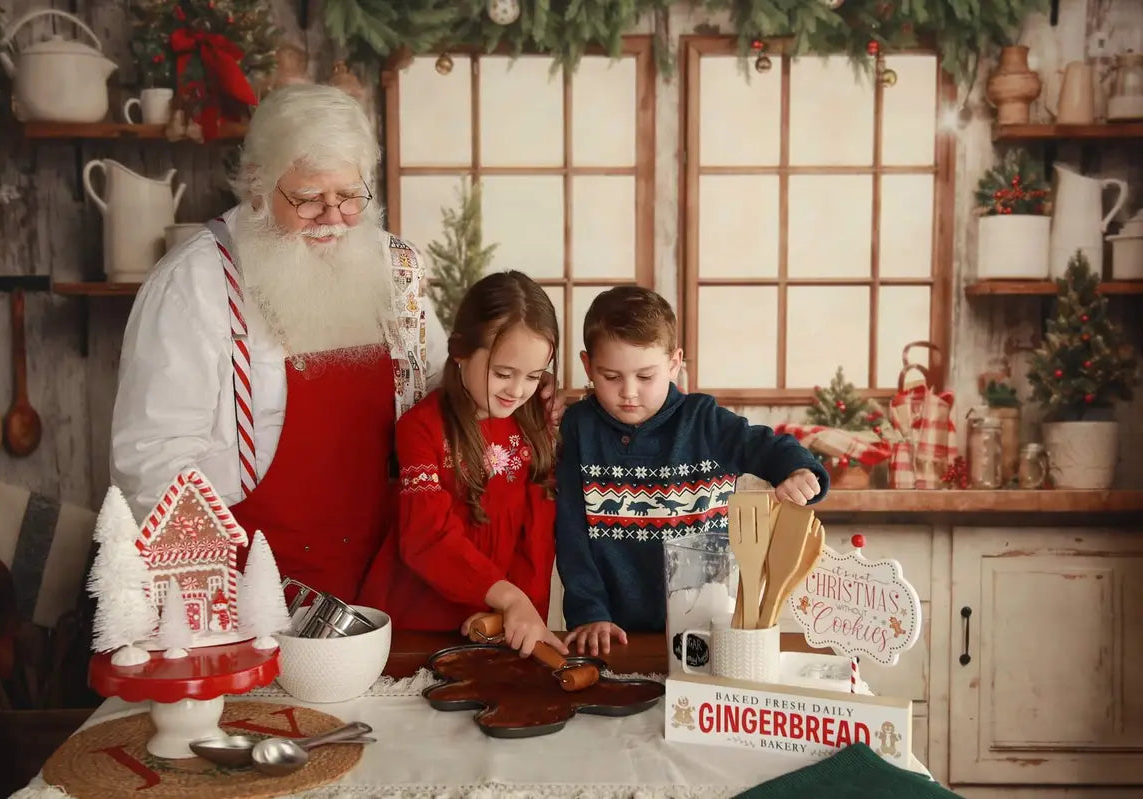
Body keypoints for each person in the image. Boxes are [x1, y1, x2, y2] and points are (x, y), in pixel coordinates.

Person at [111, 84, 458, 602]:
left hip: (387, 581)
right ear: (257, 186)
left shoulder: (394, 268)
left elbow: (437, 387)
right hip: (251, 589)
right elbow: (154, 463)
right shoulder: (194, 286)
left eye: (349, 196)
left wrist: (508, 386)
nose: (334, 217)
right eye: (309, 199)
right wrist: (215, 605)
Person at [555, 286, 829, 656]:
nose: (629, 392)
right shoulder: (579, 428)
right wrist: (589, 612)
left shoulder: (704, 421)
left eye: (646, 376)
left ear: (674, 363)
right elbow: (571, 533)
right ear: (588, 366)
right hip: (613, 631)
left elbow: (766, 445)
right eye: (611, 377)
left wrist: (797, 470)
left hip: (709, 628)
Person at [359, 271, 565, 657]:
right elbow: (427, 537)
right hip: (417, 623)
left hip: (493, 624)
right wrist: (507, 598)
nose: (517, 390)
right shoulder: (420, 428)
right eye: (503, 373)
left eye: (533, 376)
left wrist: (522, 614)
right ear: (459, 350)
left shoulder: (535, 423)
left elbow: (536, 539)